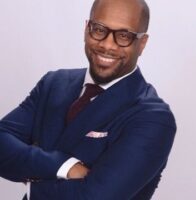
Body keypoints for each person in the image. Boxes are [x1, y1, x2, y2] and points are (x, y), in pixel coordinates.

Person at [0, 0, 176, 199]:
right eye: (99, 29)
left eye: (124, 36)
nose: (108, 45)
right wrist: (63, 166)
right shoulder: (53, 84)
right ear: (87, 29)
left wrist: (30, 171)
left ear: (142, 43)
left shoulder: (154, 118)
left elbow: (96, 196)